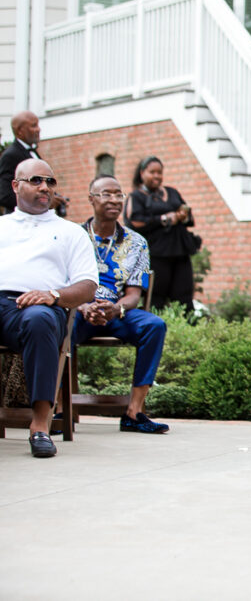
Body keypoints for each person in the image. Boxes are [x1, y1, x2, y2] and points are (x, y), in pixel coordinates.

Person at [0, 159, 98, 457]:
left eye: (50, 182)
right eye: (36, 180)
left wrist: (52, 295)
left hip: (44, 307)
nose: (45, 187)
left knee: (39, 319)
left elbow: (87, 286)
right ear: (16, 186)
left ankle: (40, 426)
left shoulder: (71, 232)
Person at [75, 175, 169, 434]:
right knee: (58, 323)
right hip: (79, 313)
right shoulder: (72, 237)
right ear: (91, 199)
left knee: (154, 325)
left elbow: (134, 294)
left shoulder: (137, 242)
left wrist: (117, 309)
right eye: (107, 194)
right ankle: (60, 409)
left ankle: (134, 412)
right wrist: (84, 307)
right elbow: (62, 284)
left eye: (119, 195)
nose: (114, 200)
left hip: (118, 314)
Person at [124, 156, 196, 311]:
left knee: (184, 296)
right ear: (142, 173)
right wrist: (164, 219)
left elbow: (188, 214)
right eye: (152, 172)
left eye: (160, 172)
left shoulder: (172, 192)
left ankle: (185, 331)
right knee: (156, 296)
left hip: (179, 252)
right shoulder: (136, 197)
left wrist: (182, 216)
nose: (157, 176)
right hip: (156, 254)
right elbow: (134, 221)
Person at [0, 111, 70, 216]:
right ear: (20, 131)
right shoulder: (11, 155)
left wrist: (54, 198)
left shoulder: (32, 152)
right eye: (33, 126)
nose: (39, 129)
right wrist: (42, 201)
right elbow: (4, 195)